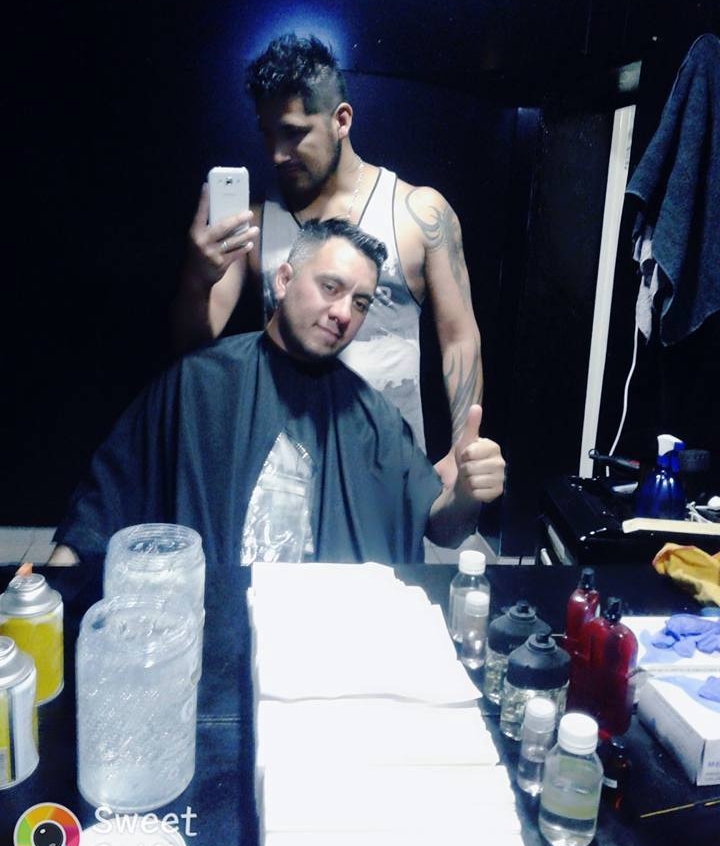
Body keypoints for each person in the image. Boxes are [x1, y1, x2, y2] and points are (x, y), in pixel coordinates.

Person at [51, 220, 504, 566]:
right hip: (213, 628)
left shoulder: (377, 420)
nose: (343, 313)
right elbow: (99, 512)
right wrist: (44, 600)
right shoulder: (201, 382)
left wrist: (466, 492)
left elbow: (442, 529)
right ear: (284, 280)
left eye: (361, 302)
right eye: (330, 287)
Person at [173, 33, 483, 487]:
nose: (277, 154)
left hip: (388, 473)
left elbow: (459, 338)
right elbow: (195, 345)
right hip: (286, 473)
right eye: (268, 134)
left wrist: (461, 451)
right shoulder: (254, 224)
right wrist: (198, 276)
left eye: (294, 133)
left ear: (341, 120)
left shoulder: (418, 213)